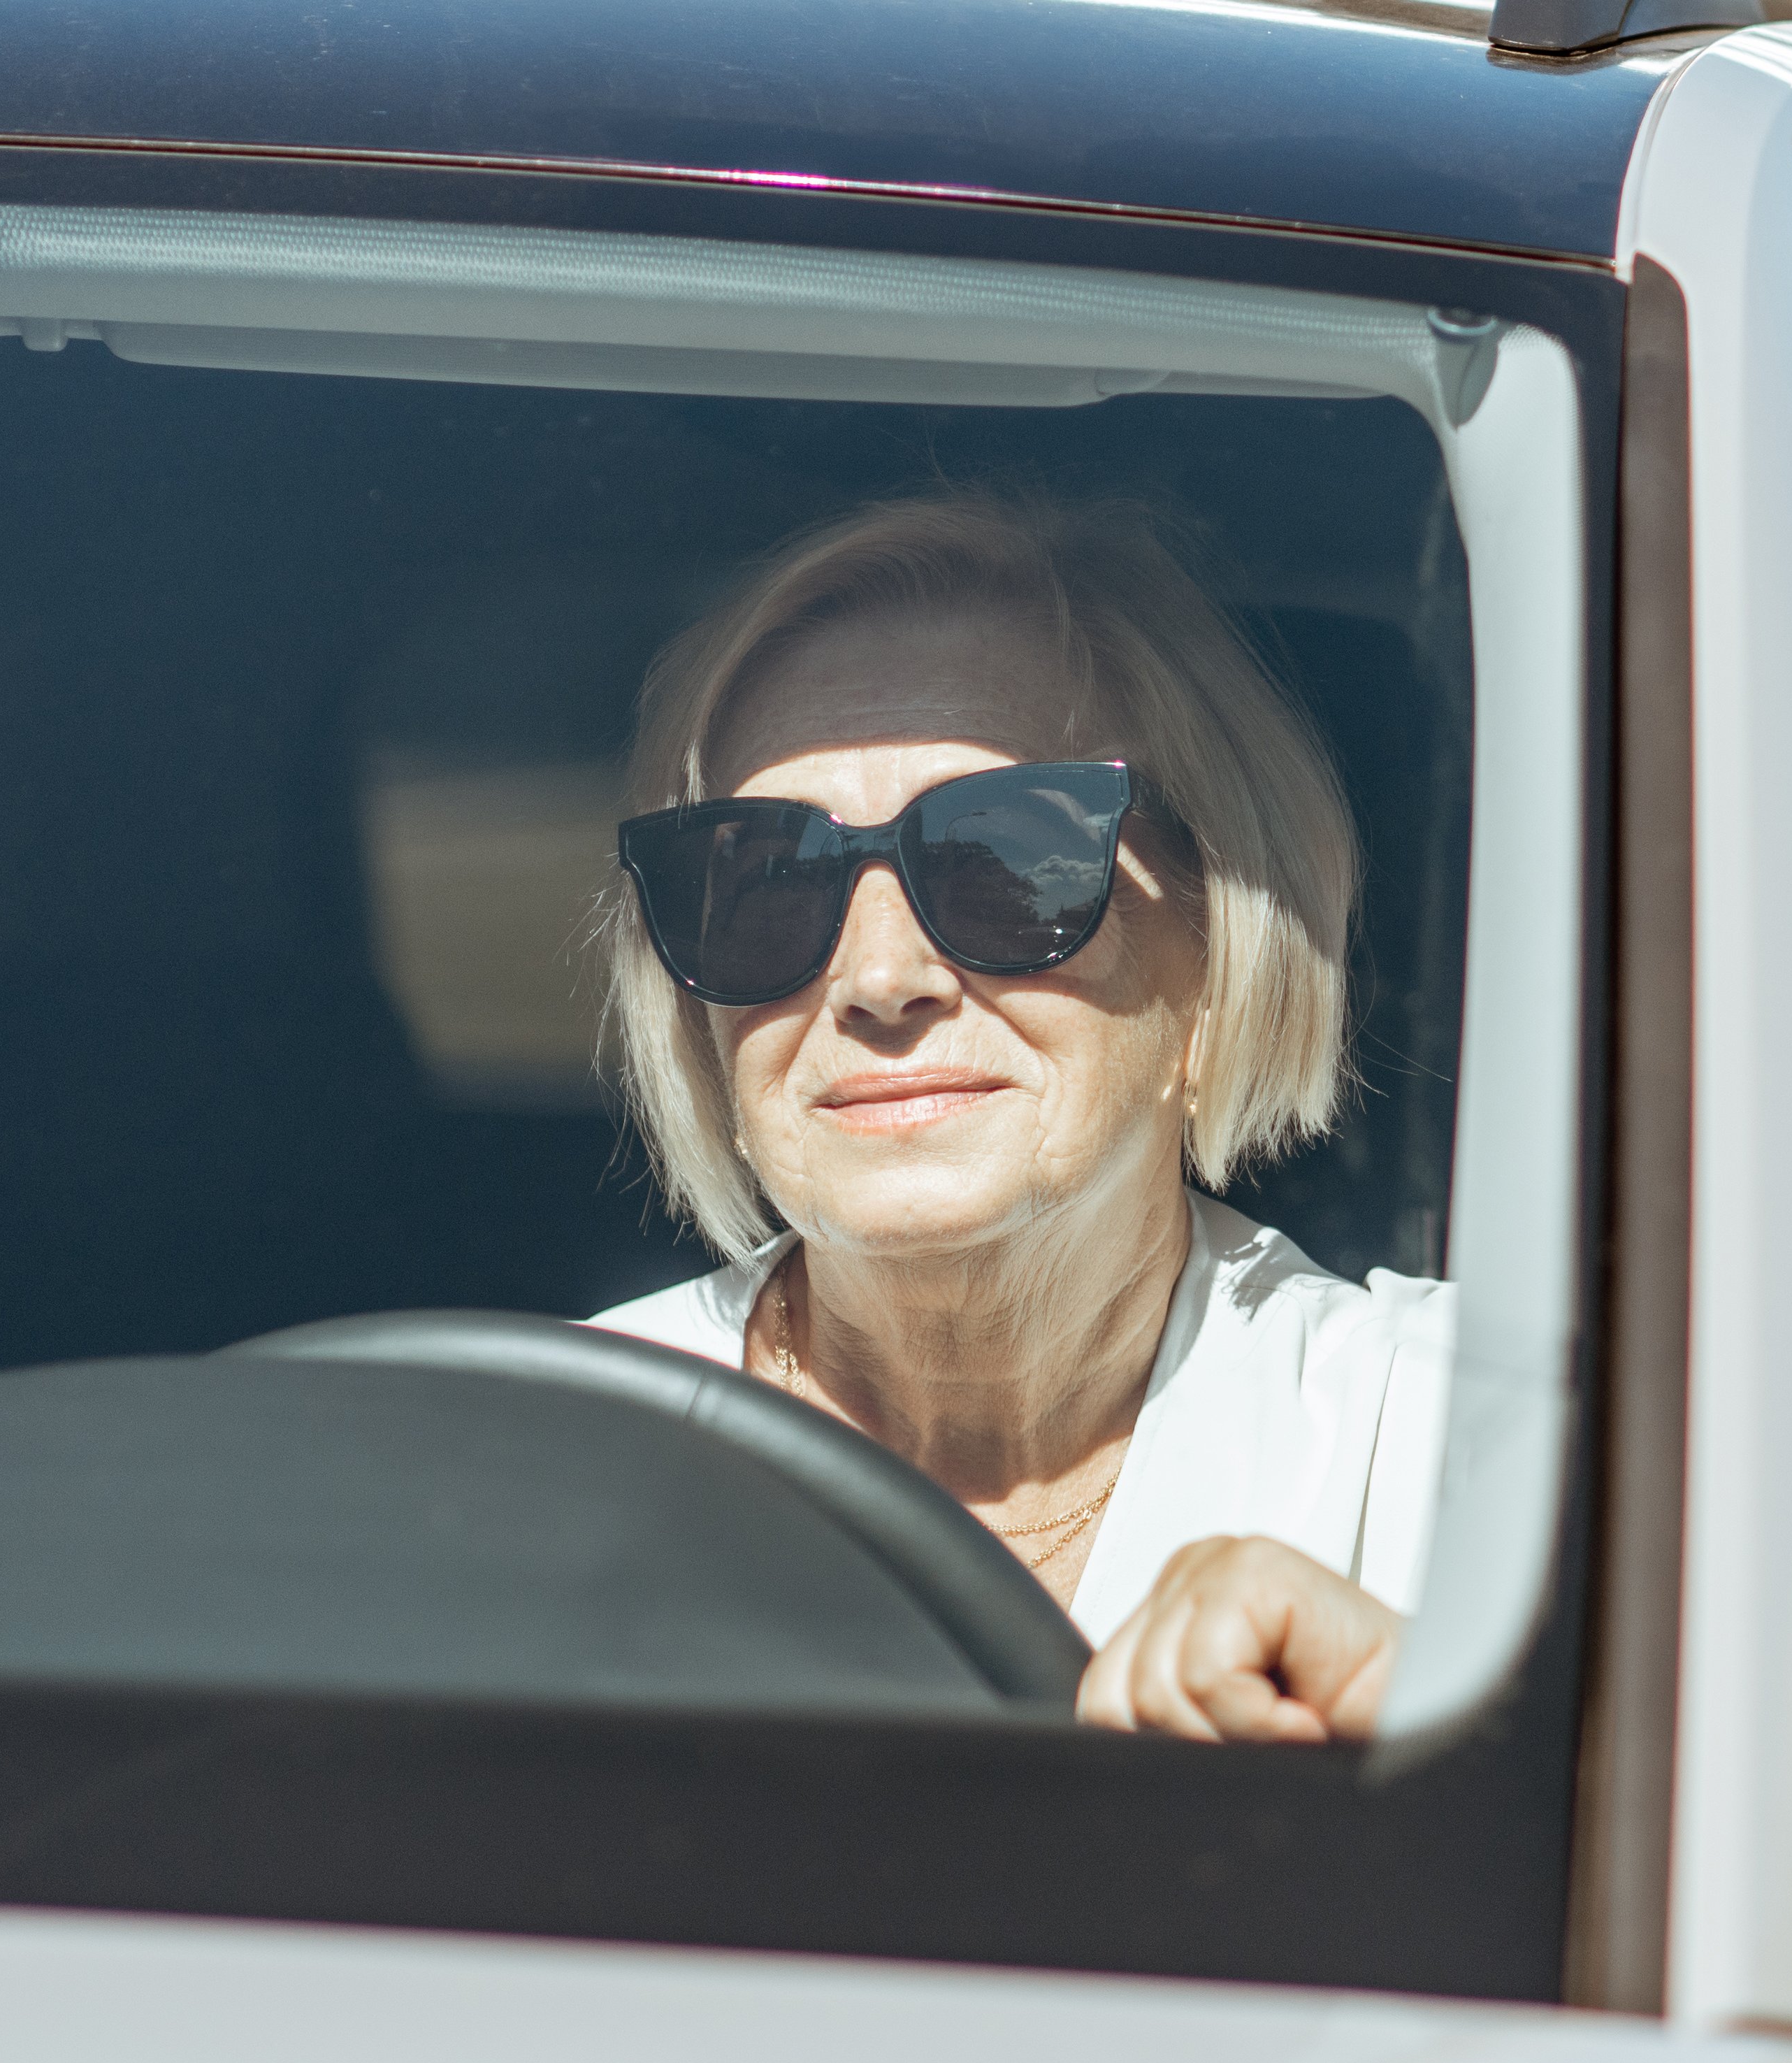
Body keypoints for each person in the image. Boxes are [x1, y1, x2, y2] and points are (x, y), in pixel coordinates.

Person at [585, 490, 1427, 1744]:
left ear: (1213, 955)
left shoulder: (1447, 1446)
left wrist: (1450, 1720)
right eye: (763, 881)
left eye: (1004, 861)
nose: (878, 980)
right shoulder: (538, 1463)